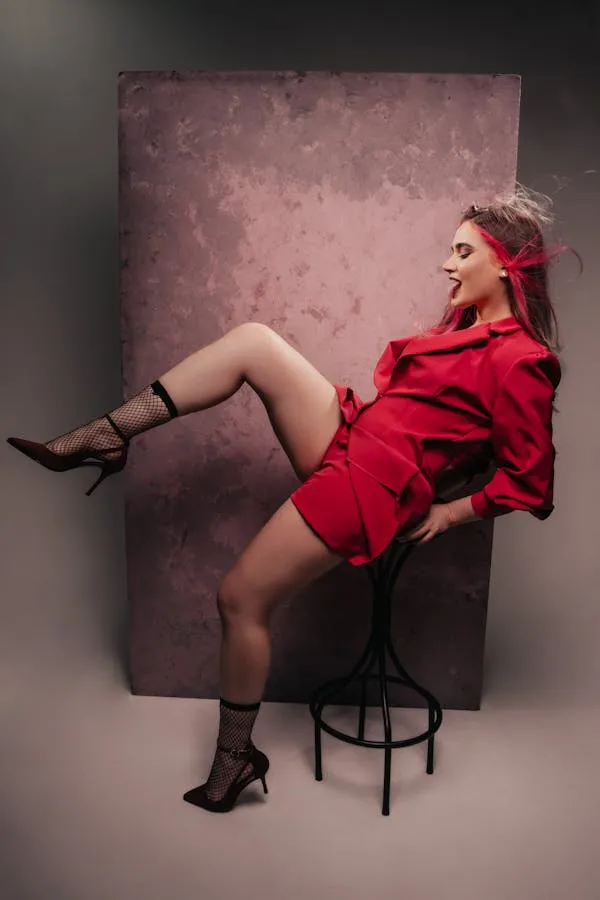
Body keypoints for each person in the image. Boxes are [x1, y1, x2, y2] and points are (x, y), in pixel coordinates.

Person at [6, 185, 578, 814]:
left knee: (239, 599)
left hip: (374, 484)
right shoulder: (463, 329)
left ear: (504, 263)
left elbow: (532, 481)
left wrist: (449, 511)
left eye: (462, 251)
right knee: (254, 340)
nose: (447, 263)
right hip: (355, 436)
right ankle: (106, 435)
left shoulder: (520, 359)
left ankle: (235, 758)